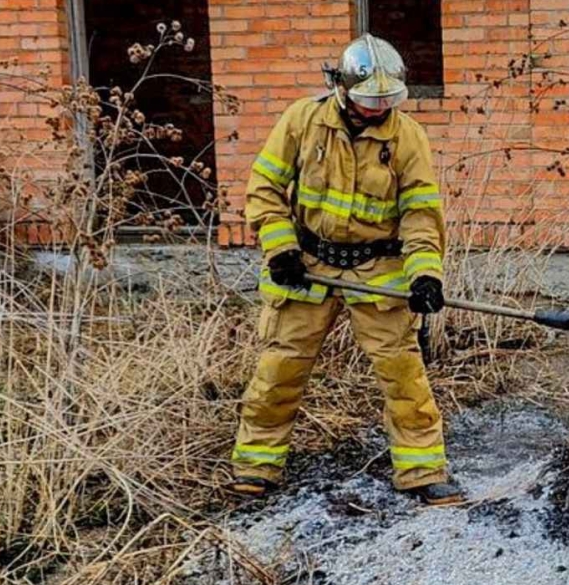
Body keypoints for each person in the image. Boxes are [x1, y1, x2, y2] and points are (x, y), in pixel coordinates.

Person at [226, 34, 461, 505]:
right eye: (368, 101)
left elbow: (420, 214)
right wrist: (281, 250)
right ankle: (256, 466)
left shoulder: (407, 135)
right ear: (341, 88)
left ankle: (421, 469)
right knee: (279, 368)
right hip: (308, 266)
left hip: (379, 269)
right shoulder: (302, 120)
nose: (376, 111)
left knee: (402, 373)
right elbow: (264, 188)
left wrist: (425, 275)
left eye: (385, 102)